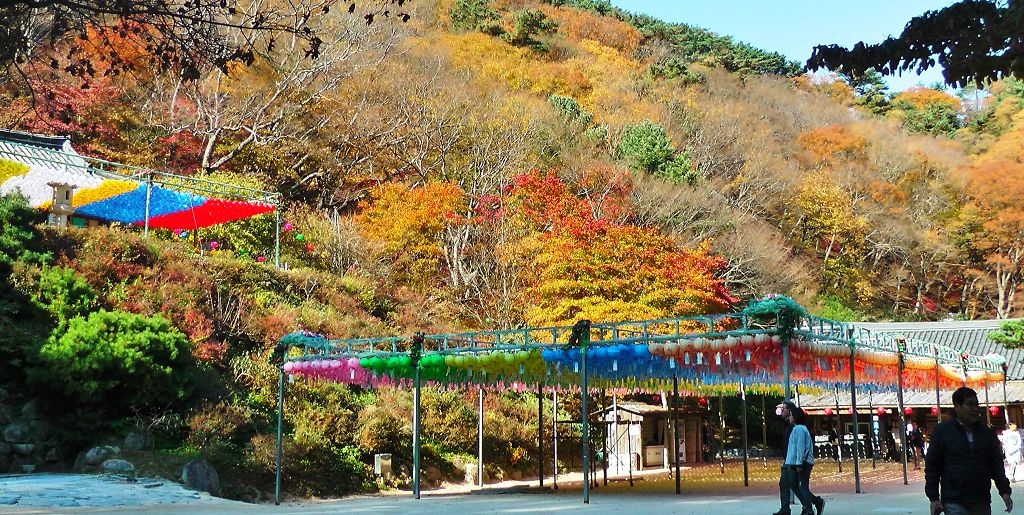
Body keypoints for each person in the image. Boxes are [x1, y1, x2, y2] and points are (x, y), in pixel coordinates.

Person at [925, 386, 1013, 515]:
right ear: (957, 406)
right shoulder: (943, 432)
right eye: (970, 404)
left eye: (976, 404)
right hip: (954, 499)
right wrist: (934, 498)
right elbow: (933, 466)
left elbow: (996, 465)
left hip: (981, 500)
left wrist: (1004, 491)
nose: (975, 409)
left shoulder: (987, 434)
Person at [785, 405, 825, 515]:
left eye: (791, 415)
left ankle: (809, 509)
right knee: (794, 484)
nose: (790, 417)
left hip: (802, 462)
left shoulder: (799, 429)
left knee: (803, 486)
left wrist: (799, 463)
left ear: (796, 416)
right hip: (795, 461)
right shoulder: (796, 428)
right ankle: (814, 503)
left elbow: (800, 447)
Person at [773, 401, 796, 515]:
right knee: (785, 484)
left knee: (796, 486)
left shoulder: (795, 427)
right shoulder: (787, 425)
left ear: (790, 411)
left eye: (784, 409)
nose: (782, 411)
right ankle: (785, 508)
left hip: (793, 460)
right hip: (787, 459)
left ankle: (812, 503)